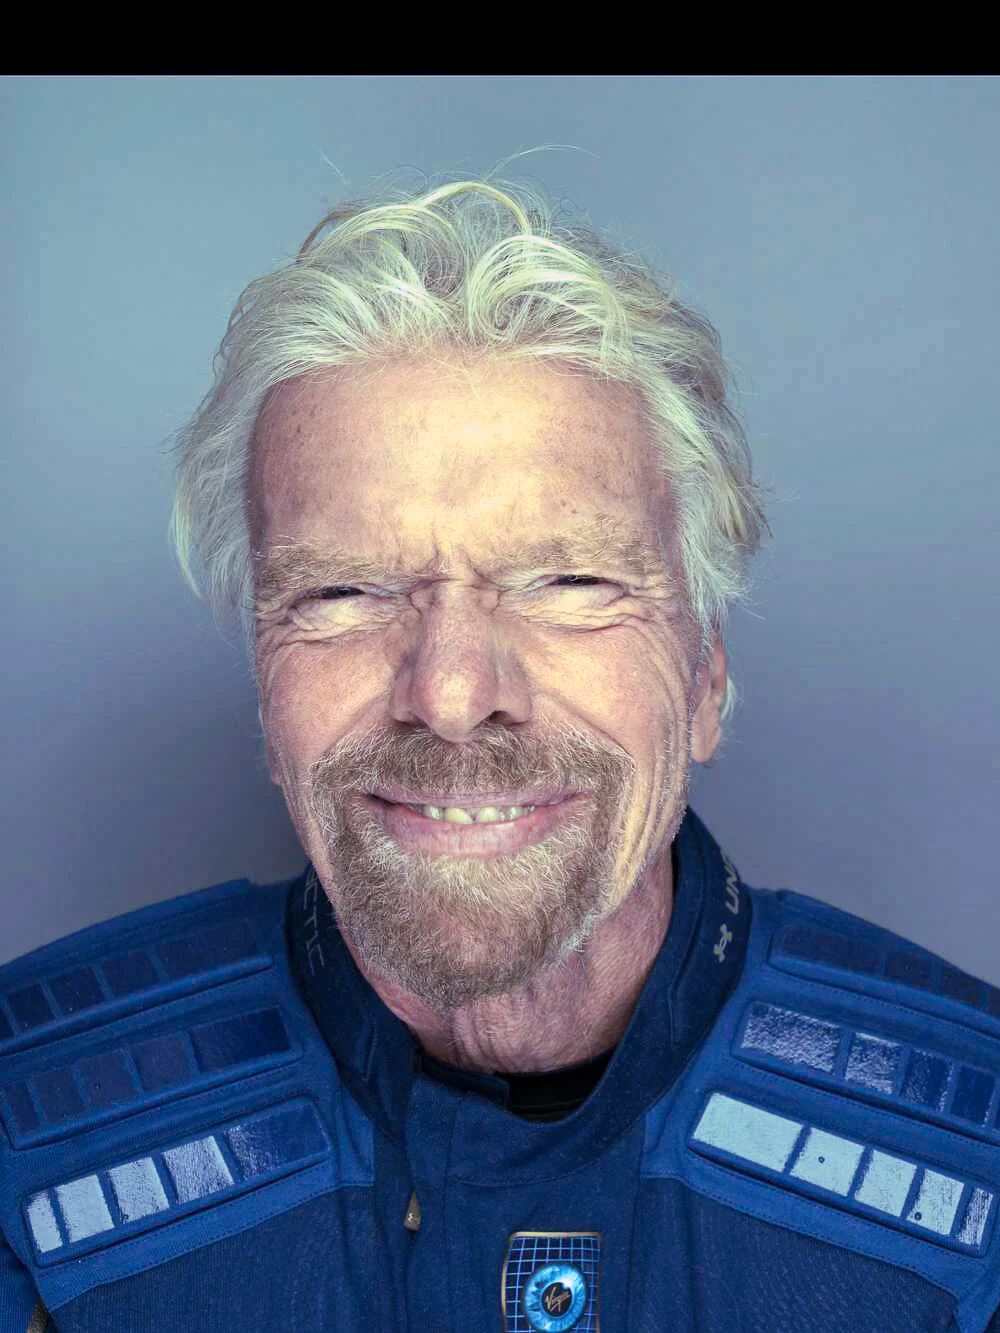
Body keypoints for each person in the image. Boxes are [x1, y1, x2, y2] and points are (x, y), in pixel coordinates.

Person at [1, 174, 997, 1333]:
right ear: (267, 695)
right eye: (342, 592)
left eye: (568, 582)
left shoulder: (976, 1163)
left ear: (705, 677)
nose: (452, 694)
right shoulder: (26, 1129)